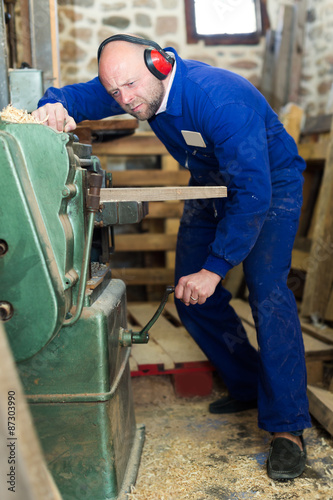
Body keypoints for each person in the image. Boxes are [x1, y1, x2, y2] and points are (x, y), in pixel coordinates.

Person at [33, 34, 311, 481]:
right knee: (189, 294)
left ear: (160, 64)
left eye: (129, 86)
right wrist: (53, 104)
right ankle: (248, 384)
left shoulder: (220, 99)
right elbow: (79, 96)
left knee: (268, 293)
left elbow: (252, 194)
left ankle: (288, 429)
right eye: (115, 92)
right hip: (207, 183)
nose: (124, 100)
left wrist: (217, 267)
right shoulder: (136, 90)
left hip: (269, 188)